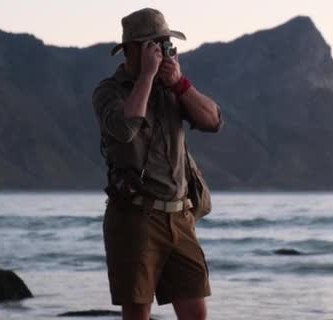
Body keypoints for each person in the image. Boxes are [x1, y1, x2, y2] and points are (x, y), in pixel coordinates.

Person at [91, 8, 222, 320]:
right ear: (133, 48)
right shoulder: (109, 91)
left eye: (167, 45)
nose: (164, 52)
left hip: (180, 216)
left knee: (196, 313)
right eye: (157, 44)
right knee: (137, 312)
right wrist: (148, 76)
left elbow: (213, 121)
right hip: (135, 216)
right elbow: (124, 129)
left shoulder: (173, 87)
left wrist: (180, 83)